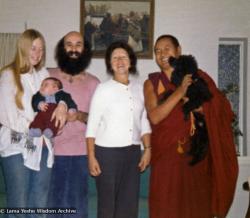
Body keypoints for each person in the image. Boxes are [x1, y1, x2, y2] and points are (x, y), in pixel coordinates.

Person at [143, 34, 239, 218]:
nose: (161, 54)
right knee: (166, 207)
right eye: (157, 51)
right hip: (167, 159)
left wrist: (196, 105)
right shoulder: (152, 83)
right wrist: (180, 92)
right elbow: (155, 117)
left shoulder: (198, 76)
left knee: (197, 208)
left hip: (196, 157)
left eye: (166, 48)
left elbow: (223, 110)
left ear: (178, 50)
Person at [0, 29, 67, 218]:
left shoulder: (43, 74)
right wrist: (38, 128)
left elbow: (59, 93)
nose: (37, 54)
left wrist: (61, 105)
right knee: (19, 204)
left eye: (41, 49)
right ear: (23, 48)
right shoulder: (8, 75)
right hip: (15, 146)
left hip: (41, 146)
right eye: (33, 48)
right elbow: (8, 117)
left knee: (39, 201)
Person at [86, 41, 151, 218]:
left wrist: (147, 150)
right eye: (115, 58)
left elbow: (144, 121)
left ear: (131, 61)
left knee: (129, 205)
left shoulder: (140, 89)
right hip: (106, 154)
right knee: (107, 206)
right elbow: (92, 125)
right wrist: (91, 156)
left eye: (123, 56)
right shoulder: (103, 89)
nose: (120, 60)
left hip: (133, 153)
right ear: (110, 64)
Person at [48, 31, 100, 218]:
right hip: (49, 152)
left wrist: (78, 115)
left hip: (80, 153)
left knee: (77, 206)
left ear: (84, 49)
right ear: (62, 49)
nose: (73, 49)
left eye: (78, 44)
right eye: (68, 44)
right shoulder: (47, 76)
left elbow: (98, 121)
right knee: (53, 205)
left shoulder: (94, 83)